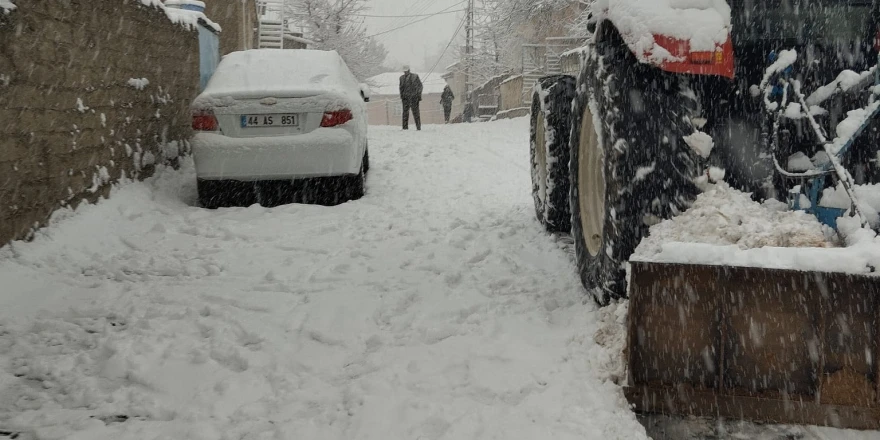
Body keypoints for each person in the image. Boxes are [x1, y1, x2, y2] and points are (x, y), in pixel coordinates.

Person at [399, 65, 423, 130]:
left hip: (414, 98)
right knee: (405, 113)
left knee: (416, 113)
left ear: (409, 70)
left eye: (406, 71)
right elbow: (401, 88)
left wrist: (417, 94)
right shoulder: (401, 78)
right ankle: (405, 127)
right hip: (405, 98)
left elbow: (420, 86)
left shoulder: (415, 77)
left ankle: (418, 127)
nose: (405, 72)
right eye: (404, 71)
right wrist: (402, 96)